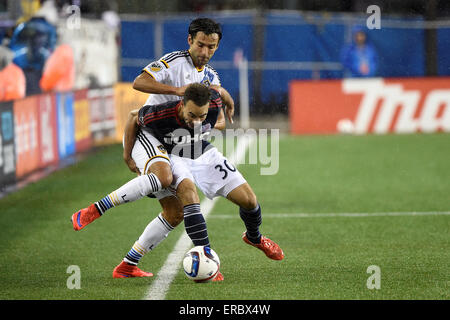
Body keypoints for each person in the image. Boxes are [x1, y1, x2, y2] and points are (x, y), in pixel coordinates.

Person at [72, 84, 284, 280]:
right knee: (189, 197)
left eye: (201, 116)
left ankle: (254, 237)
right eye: (191, 115)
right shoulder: (161, 114)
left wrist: (226, 108)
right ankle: (206, 256)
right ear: (182, 105)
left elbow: (220, 93)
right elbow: (133, 118)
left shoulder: (213, 102)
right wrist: (127, 156)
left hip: (202, 151)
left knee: (249, 200)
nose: (196, 121)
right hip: (174, 155)